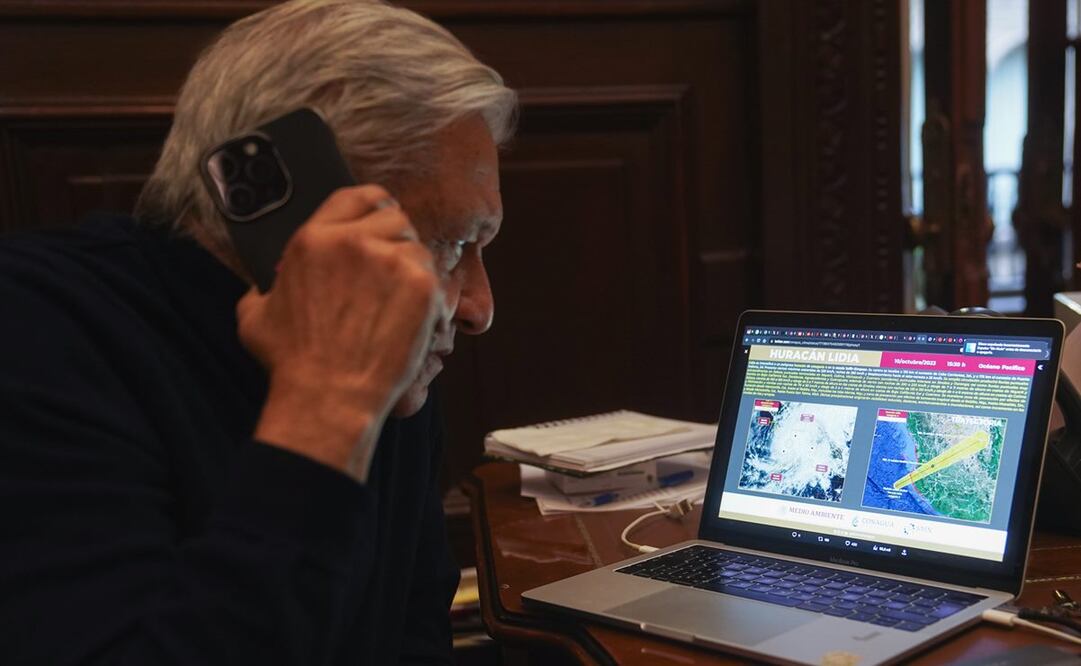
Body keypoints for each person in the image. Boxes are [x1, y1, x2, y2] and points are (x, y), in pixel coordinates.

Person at [0, 1, 516, 664]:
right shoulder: (39, 328)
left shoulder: (391, 351)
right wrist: (327, 406)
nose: (479, 309)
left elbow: (411, 641)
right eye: (450, 243)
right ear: (287, 207)